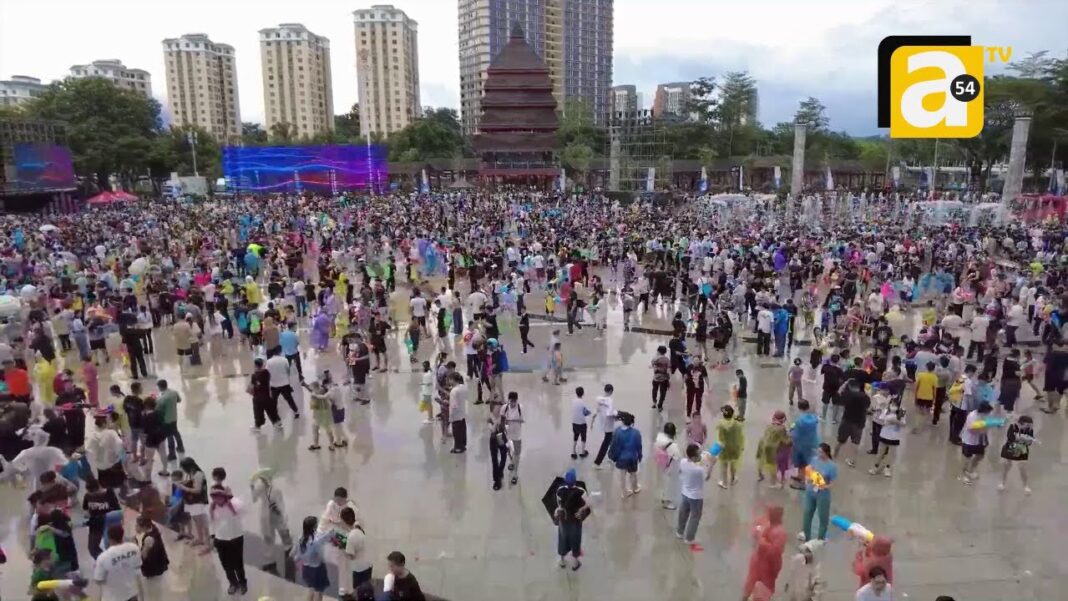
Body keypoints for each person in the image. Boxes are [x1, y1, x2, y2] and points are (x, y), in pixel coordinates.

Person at [208, 485, 248, 595]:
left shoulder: (235, 504)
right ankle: (233, 583)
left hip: (235, 538)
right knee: (226, 564)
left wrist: (231, 502)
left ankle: (242, 582)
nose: (216, 499)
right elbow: (212, 523)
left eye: (218, 496)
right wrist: (212, 537)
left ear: (224, 495)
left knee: (238, 563)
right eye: (213, 496)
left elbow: (243, 513)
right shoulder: (212, 507)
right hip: (220, 539)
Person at [742, 505, 788, 600]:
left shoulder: (779, 533)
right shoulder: (767, 524)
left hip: (766, 568)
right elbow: (754, 532)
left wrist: (761, 541)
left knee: (760, 592)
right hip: (758, 564)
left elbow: (775, 553)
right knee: (750, 587)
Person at [675, 443, 713, 545]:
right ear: (693, 456)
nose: (700, 456)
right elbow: (707, 477)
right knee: (695, 517)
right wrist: (711, 464)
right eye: (698, 455)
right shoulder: (698, 470)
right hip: (696, 497)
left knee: (683, 513)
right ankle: (689, 538)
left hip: (685, 493)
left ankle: (679, 532)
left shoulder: (683, 462)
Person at [92, 525, 143, 601]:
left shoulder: (103, 557)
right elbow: (138, 566)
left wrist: (96, 568)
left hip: (113, 597)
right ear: (122, 536)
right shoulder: (134, 548)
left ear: (109, 538)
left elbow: (98, 580)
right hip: (131, 593)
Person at [554, 468, 590, 571]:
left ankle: (562, 561)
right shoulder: (580, 491)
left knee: (562, 538)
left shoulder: (559, 490)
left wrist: (558, 511)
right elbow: (588, 503)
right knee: (576, 539)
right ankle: (575, 563)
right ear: (575, 481)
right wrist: (582, 509)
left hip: (564, 518)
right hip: (575, 519)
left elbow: (559, 504)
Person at [291, 516, 333, 601]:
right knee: (318, 591)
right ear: (314, 527)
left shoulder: (301, 538)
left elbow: (295, 554)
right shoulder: (315, 542)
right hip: (317, 570)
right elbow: (320, 556)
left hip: (306, 569)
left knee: (311, 589)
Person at [801, 443, 837, 541]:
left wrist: (825, 486)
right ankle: (806, 536)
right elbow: (809, 470)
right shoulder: (814, 460)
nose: (819, 453)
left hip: (823, 494)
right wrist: (807, 478)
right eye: (818, 451)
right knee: (807, 513)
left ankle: (820, 538)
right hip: (810, 490)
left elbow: (833, 482)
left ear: (826, 453)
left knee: (823, 516)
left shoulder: (831, 466)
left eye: (821, 452)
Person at [833, 379, 870, 468]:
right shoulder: (865, 397)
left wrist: (843, 385)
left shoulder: (847, 395)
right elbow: (868, 406)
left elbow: (837, 398)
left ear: (849, 386)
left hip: (847, 420)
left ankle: (834, 455)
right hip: (859, 423)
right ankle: (852, 461)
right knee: (855, 443)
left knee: (840, 440)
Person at [83, 478, 121, 560]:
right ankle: (104, 561)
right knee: (92, 548)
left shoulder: (109, 493)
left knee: (110, 545)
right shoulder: (87, 496)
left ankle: (114, 560)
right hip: (95, 523)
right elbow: (86, 512)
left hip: (109, 522)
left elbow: (117, 509)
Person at [868, 395, 905, 478]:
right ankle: (875, 467)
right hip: (884, 435)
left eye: (895, 404)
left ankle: (887, 469)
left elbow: (903, 424)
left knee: (890, 454)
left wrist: (896, 422)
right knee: (880, 452)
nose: (893, 406)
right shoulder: (885, 411)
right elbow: (881, 421)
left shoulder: (901, 412)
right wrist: (886, 422)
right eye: (892, 404)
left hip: (894, 437)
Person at [607, 411, 642, 497]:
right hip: (633, 457)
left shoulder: (617, 432)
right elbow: (639, 446)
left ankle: (624, 492)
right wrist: (640, 456)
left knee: (622, 476)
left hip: (621, 458)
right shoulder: (636, 433)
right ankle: (635, 488)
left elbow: (613, 445)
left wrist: (612, 455)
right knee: (633, 474)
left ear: (622, 421)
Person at [959, 401, 994, 485]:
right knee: (967, 457)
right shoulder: (972, 416)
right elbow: (971, 429)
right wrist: (983, 428)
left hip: (980, 439)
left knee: (980, 455)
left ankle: (971, 470)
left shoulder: (987, 414)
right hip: (969, 440)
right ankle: (964, 475)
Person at [998, 414, 1035, 493]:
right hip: (1009, 448)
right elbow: (1010, 438)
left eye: (1030, 425)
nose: (1029, 426)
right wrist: (1022, 438)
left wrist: (1021, 439)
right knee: (1006, 466)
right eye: (1027, 425)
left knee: (1023, 468)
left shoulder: (1030, 429)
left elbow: (1030, 442)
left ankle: (1025, 486)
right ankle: (1002, 482)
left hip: (1022, 449)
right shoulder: (1013, 427)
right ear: (1021, 423)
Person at [339, 507, 372, 595]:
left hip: (359, 569)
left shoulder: (351, 536)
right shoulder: (359, 527)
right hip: (367, 565)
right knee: (366, 591)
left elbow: (351, 556)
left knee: (358, 592)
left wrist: (342, 549)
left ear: (344, 520)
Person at [790, 400, 821, 489]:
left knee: (803, 463)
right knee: (809, 463)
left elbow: (795, 432)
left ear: (799, 407)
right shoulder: (813, 418)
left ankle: (806, 483)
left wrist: (790, 433)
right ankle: (801, 476)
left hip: (800, 444)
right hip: (812, 443)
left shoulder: (799, 420)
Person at [757, 411, 791, 488]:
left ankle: (760, 475)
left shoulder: (769, 425)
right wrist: (790, 438)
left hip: (762, 443)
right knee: (772, 464)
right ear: (783, 419)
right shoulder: (781, 428)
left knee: (761, 460)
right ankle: (773, 483)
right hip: (771, 447)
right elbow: (785, 440)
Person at [654, 422, 682, 509]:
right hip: (671, 466)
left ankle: (663, 497)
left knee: (664, 482)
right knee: (670, 484)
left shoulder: (660, 439)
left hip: (663, 464)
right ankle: (667, 501)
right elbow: (677, 457)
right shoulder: (673, 445)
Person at [715, 405, 745, 488]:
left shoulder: (720, 424)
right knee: (733, 464)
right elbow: (741, 436)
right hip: (735, 447)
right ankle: (733, 479)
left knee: (724, 466)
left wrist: (716, 449)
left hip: (724, 448)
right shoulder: (737, 424)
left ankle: (724, 483)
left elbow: (720, 438)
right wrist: (742, 446)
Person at [249, 358, 282, 432]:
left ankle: (258, 426)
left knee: (258, 412)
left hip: (257, 397)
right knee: (271, 410)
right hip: (266, 396)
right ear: (262, 365)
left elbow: (251, 387)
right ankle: (276, 423)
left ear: (255, 365)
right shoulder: (266, 373)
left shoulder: (254, 375)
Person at [155, 379, 184, 462]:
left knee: (169, 436)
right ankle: (180, 447)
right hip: (174, 417)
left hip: (166, 420)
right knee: (175, 432)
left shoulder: (162, 398)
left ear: (160, 387)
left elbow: (157, 408)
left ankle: (172, 454)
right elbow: (179, 400)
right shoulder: (174, 392)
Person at [266, 352, 301, 417]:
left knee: (274, 401)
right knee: (289, 399)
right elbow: (288, 371)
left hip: (274, 384)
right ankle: (296, 411)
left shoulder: (268, 362)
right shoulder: (284, 360)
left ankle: (274, 414)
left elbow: (267, 373)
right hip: (284, 383)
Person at [135, 514, 169, 580]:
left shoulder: (149, 539)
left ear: (144, 527)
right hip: (160, 564)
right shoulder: (153, 528)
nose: (135, 527)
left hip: (153, 570)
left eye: (137, 525)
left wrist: (135, 545)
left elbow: (143, 556)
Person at [502, 391, 524, 484]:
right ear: (509, 400)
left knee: (517, 454)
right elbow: (501, 420)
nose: (513, 403)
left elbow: (522, 420)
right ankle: (512, 462)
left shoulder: (520, 407)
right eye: (511, 401)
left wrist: (511, 420)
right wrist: (505, 424)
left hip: (517, 435)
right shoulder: (505, 408)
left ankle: (515, 474)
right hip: (507, 435)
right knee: (509, 451)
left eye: (514, 401)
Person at [448, 372, 468, 454]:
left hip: (456, 414)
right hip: (462, 412)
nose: (449, 381)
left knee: (456, 432)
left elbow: (454, 405)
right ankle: (463, 445)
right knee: (463, 430)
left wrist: (451, 416)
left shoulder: (454, 391)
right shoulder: (463, 387)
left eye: (449, 379)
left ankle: (458, 447)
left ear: (453, 380)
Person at [570, 386, 590, 459]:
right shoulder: (583, 403)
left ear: (576, 393)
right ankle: (582, 452)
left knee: (575, 436)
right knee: (583, 437)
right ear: (583, 393)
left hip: (574, 422)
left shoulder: (573, 401)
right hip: (582, 423)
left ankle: (573, 452)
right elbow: (586, 413)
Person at [651, 346, 670, 411]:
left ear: (658, 351)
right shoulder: (667, 360)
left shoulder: (655, 358)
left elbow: (652, 365)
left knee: (654, 390)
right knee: (663, 393)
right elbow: (668, 370)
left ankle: (654, 402)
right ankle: (660, 405)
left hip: (656, 377)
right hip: (664, 378)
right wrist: (668, 378)